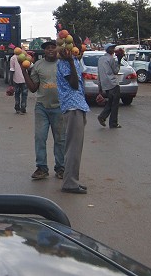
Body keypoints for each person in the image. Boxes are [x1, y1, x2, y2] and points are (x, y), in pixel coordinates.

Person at [22, 40, 65, 180]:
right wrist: (24, 72)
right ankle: (41, 168)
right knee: (40, 138)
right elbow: (33, 88)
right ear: (44, 51)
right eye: (48, 48)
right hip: (42, 107)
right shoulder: (38, 65)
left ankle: (61, 168)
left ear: (57, 49)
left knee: (60, 139)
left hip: (59, 107)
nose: (50, 50)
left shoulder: (63, 63)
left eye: (53, 47)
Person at [57, 41, 90, 194]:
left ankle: (73, 180)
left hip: (78, 105)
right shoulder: (65, 63)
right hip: (72, 106)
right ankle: (70, 183)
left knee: (76, 147)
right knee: (73, 147)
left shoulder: (75, 61)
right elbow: (74, 84)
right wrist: (70, 61)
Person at [97, 43, 122, 129]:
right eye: (112, 48)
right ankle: (113, 123)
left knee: (110, 103)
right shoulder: (111, 59)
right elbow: (116, 71)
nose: (113, 50)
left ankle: (102, 116)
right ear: (108, 50)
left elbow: (99, 74)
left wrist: (100, 88)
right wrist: (119, 60)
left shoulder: (100, 59)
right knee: (114, 104)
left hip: (105, 85)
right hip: (113, 84)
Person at [9, 50, 28, 114]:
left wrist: (10, 81)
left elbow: (12, 70)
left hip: (16, 79)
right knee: (24, 94)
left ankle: (17, 108)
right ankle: (23, 107)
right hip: (24, 79)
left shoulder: (13, 58)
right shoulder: (24, 56)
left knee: (17, 94)